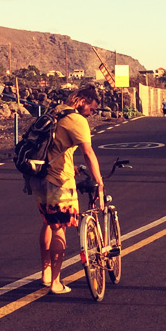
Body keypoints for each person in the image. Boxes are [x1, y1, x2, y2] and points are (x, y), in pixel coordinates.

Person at [31, 85, 105, 294]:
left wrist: (70, 165)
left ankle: (46, 275)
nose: (91, 114)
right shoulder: (77, 120)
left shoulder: (57, 111)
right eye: (92, 108)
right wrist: (99, 182)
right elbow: (88, 153)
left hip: (38, 177)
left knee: (48, 223)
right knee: (59, 228)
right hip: (58, 180)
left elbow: (53, 147)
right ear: (83, 101)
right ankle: (56, 282)